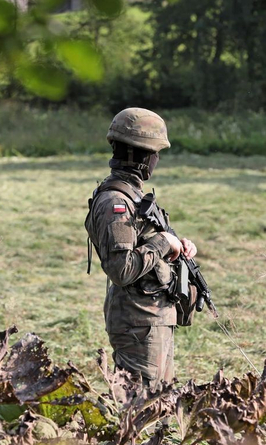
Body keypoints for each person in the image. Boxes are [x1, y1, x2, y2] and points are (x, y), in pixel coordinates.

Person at [84, 108, 197, 388]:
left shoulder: (133, 197)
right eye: (155, 153)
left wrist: (177, 246)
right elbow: (121, 270)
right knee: (138, 410)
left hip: (152, 317)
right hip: (138, 322)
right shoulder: (115, 203)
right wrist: (162, 242)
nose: (157, 160)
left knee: (160, 403)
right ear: (142, 155)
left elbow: (143, 244)